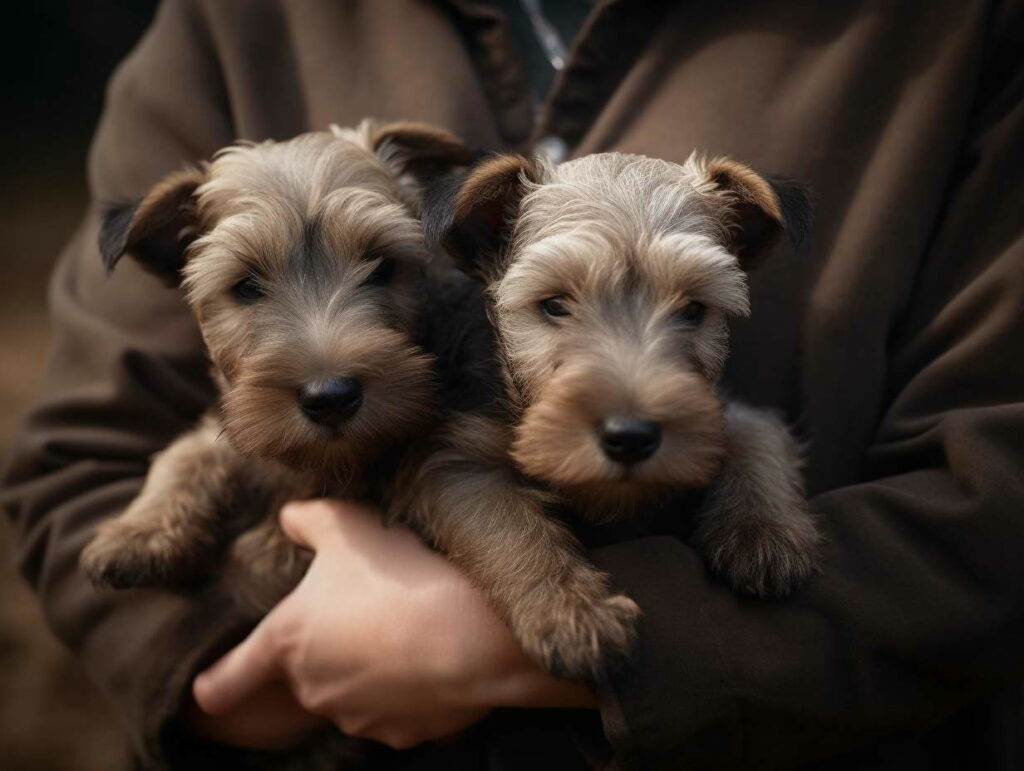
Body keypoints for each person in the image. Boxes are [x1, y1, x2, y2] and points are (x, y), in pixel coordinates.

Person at [3, 1, 1023, 769]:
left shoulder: (949, 31)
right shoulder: (229, 23)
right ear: (481, 259)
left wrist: (533, 649)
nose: (327, 331)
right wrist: (237, 679)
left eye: (381, 269)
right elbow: (76, 470)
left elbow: (987, 489)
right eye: (547, 306)